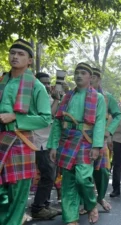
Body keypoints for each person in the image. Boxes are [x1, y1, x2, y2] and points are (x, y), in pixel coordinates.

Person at [0, 39, 52, 225]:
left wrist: (16, 117)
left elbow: (46, 118)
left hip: (21, 142)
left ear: (30, 60)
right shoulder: (2, 81)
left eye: (21, 54)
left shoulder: (36, 86)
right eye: (12, 52)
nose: (15, 56)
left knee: (18, 194)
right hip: (1, 141)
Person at [48, 62, 106, 225]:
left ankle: (90, 204)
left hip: (85, 141)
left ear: (90, 77)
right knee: (68, 182)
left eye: (83, 73)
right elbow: (58, 121)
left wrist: (96, 146)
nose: (79, 76)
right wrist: (53, 145)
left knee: (83, 177)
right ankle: (71, 219)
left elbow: (100, 122)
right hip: (66, 140)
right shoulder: (67, 97)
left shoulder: (98, 98)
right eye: (77, 73)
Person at [89, 68, 121, 211]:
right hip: (82, 138)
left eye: (95, 76)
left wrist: (109, 131)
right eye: (89, 76)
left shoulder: (107, 97)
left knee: (102, 171)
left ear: (99, 79)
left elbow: (117, 115)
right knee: (84, 172)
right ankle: (86, 202)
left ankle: (100, 198)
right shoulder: (78, 95)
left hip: (101, 139)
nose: (91, 79)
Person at [31, 72, 62, 220]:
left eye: (48, 82)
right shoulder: (35, 97)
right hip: (39, 142)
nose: (47, 85)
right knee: (48, 175)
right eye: (43, 83)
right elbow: (48, 116)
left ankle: (45, 204)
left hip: (49, 142)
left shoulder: (49, 97)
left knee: (51, 175)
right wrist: (56, 100)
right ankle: (37, 208)